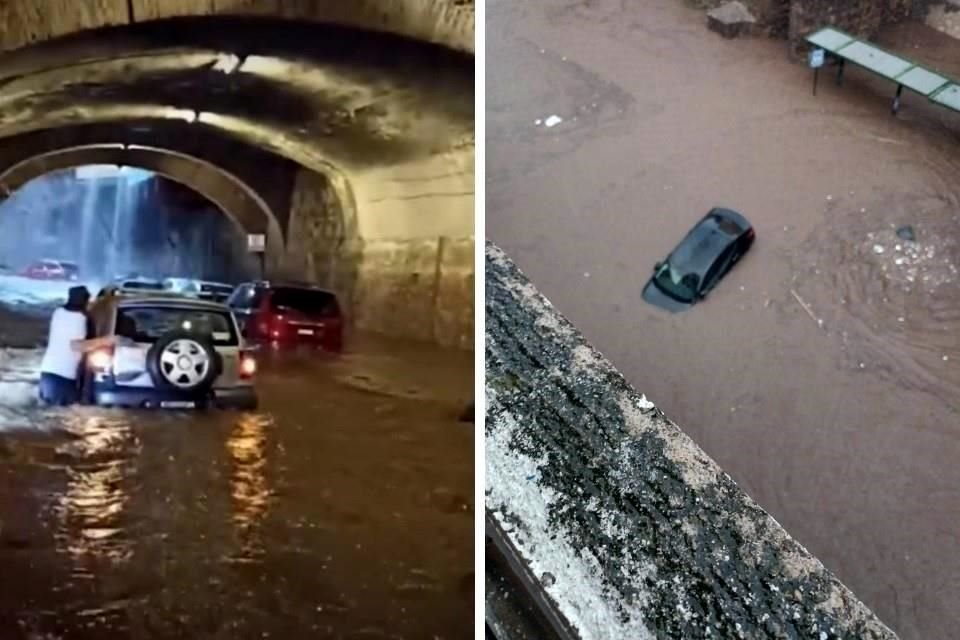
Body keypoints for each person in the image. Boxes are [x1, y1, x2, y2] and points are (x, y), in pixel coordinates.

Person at [38, 286, 114, 406]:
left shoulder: (58, 312)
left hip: (47, 372)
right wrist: (108, 340)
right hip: (63, 378)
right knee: (61, 418)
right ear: (84, 301)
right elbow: (76, 345)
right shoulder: (79, 318)